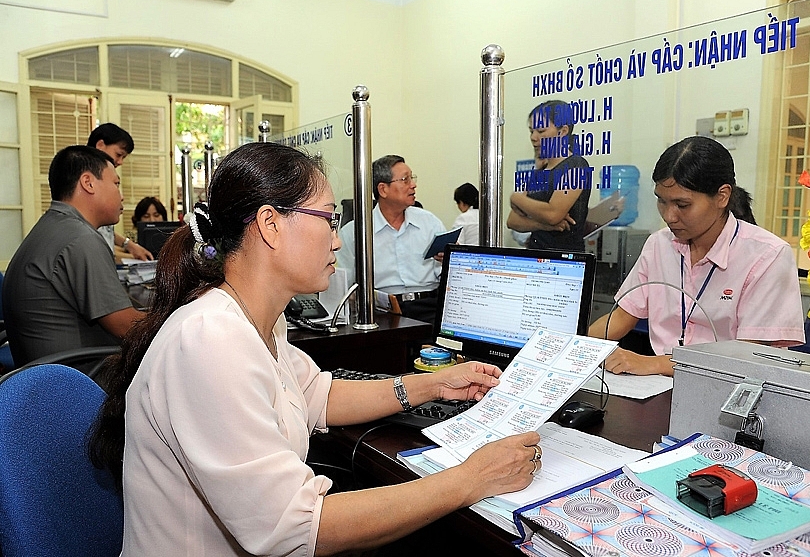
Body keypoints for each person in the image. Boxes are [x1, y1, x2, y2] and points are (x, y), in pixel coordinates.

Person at [88, 142, 540, 556]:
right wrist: (470, 479)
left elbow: (314, 394)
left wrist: (430, 385)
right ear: (270, 225)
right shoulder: (210, 339)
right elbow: (297, 526)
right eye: (328, 220)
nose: (338, 240)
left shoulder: (256, 317)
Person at [587, 136, 805, 376]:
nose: (669, 216)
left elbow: (748, 357)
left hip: (728, 390)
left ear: (722, 196)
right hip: (662, 387)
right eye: (662, 201)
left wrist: (656, 363)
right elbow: (620, 317)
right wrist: (574, 348)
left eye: (682, 204)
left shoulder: (768, 256)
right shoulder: (659, 245)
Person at [2, 146, 146, 370]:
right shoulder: (80, 239)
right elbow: (126, 327)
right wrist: (178, 318)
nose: (122, 194)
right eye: (116, 184)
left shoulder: (54, 226)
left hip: (44, 376)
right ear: (88, 183)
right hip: (81, 379)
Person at [336, 155, 446, 324]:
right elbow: (344, 287)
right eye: (405, 179)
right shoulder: (355, 233)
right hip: (382, 313)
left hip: (430, 307)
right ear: (383, 189)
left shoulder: (429, 222)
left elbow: (446, 275)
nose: (413, 185)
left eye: (412, 178)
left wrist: (449, 260)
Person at [507, 100, 591, 252]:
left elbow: (553, 213)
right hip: (535, 257)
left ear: (563, 131)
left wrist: (516, 198)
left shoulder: (576, 165)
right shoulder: (541, 171)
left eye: (541, 131)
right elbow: (512, 221)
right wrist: (542, 225)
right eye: (531, 131)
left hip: (564, 262)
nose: (533, 137)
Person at [87, 123, 154, 261]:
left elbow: (104, 229)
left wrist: (129, 245)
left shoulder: (102, 176)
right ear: (100, 145)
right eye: (119, 154)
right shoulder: (89, 178)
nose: (120, 162)